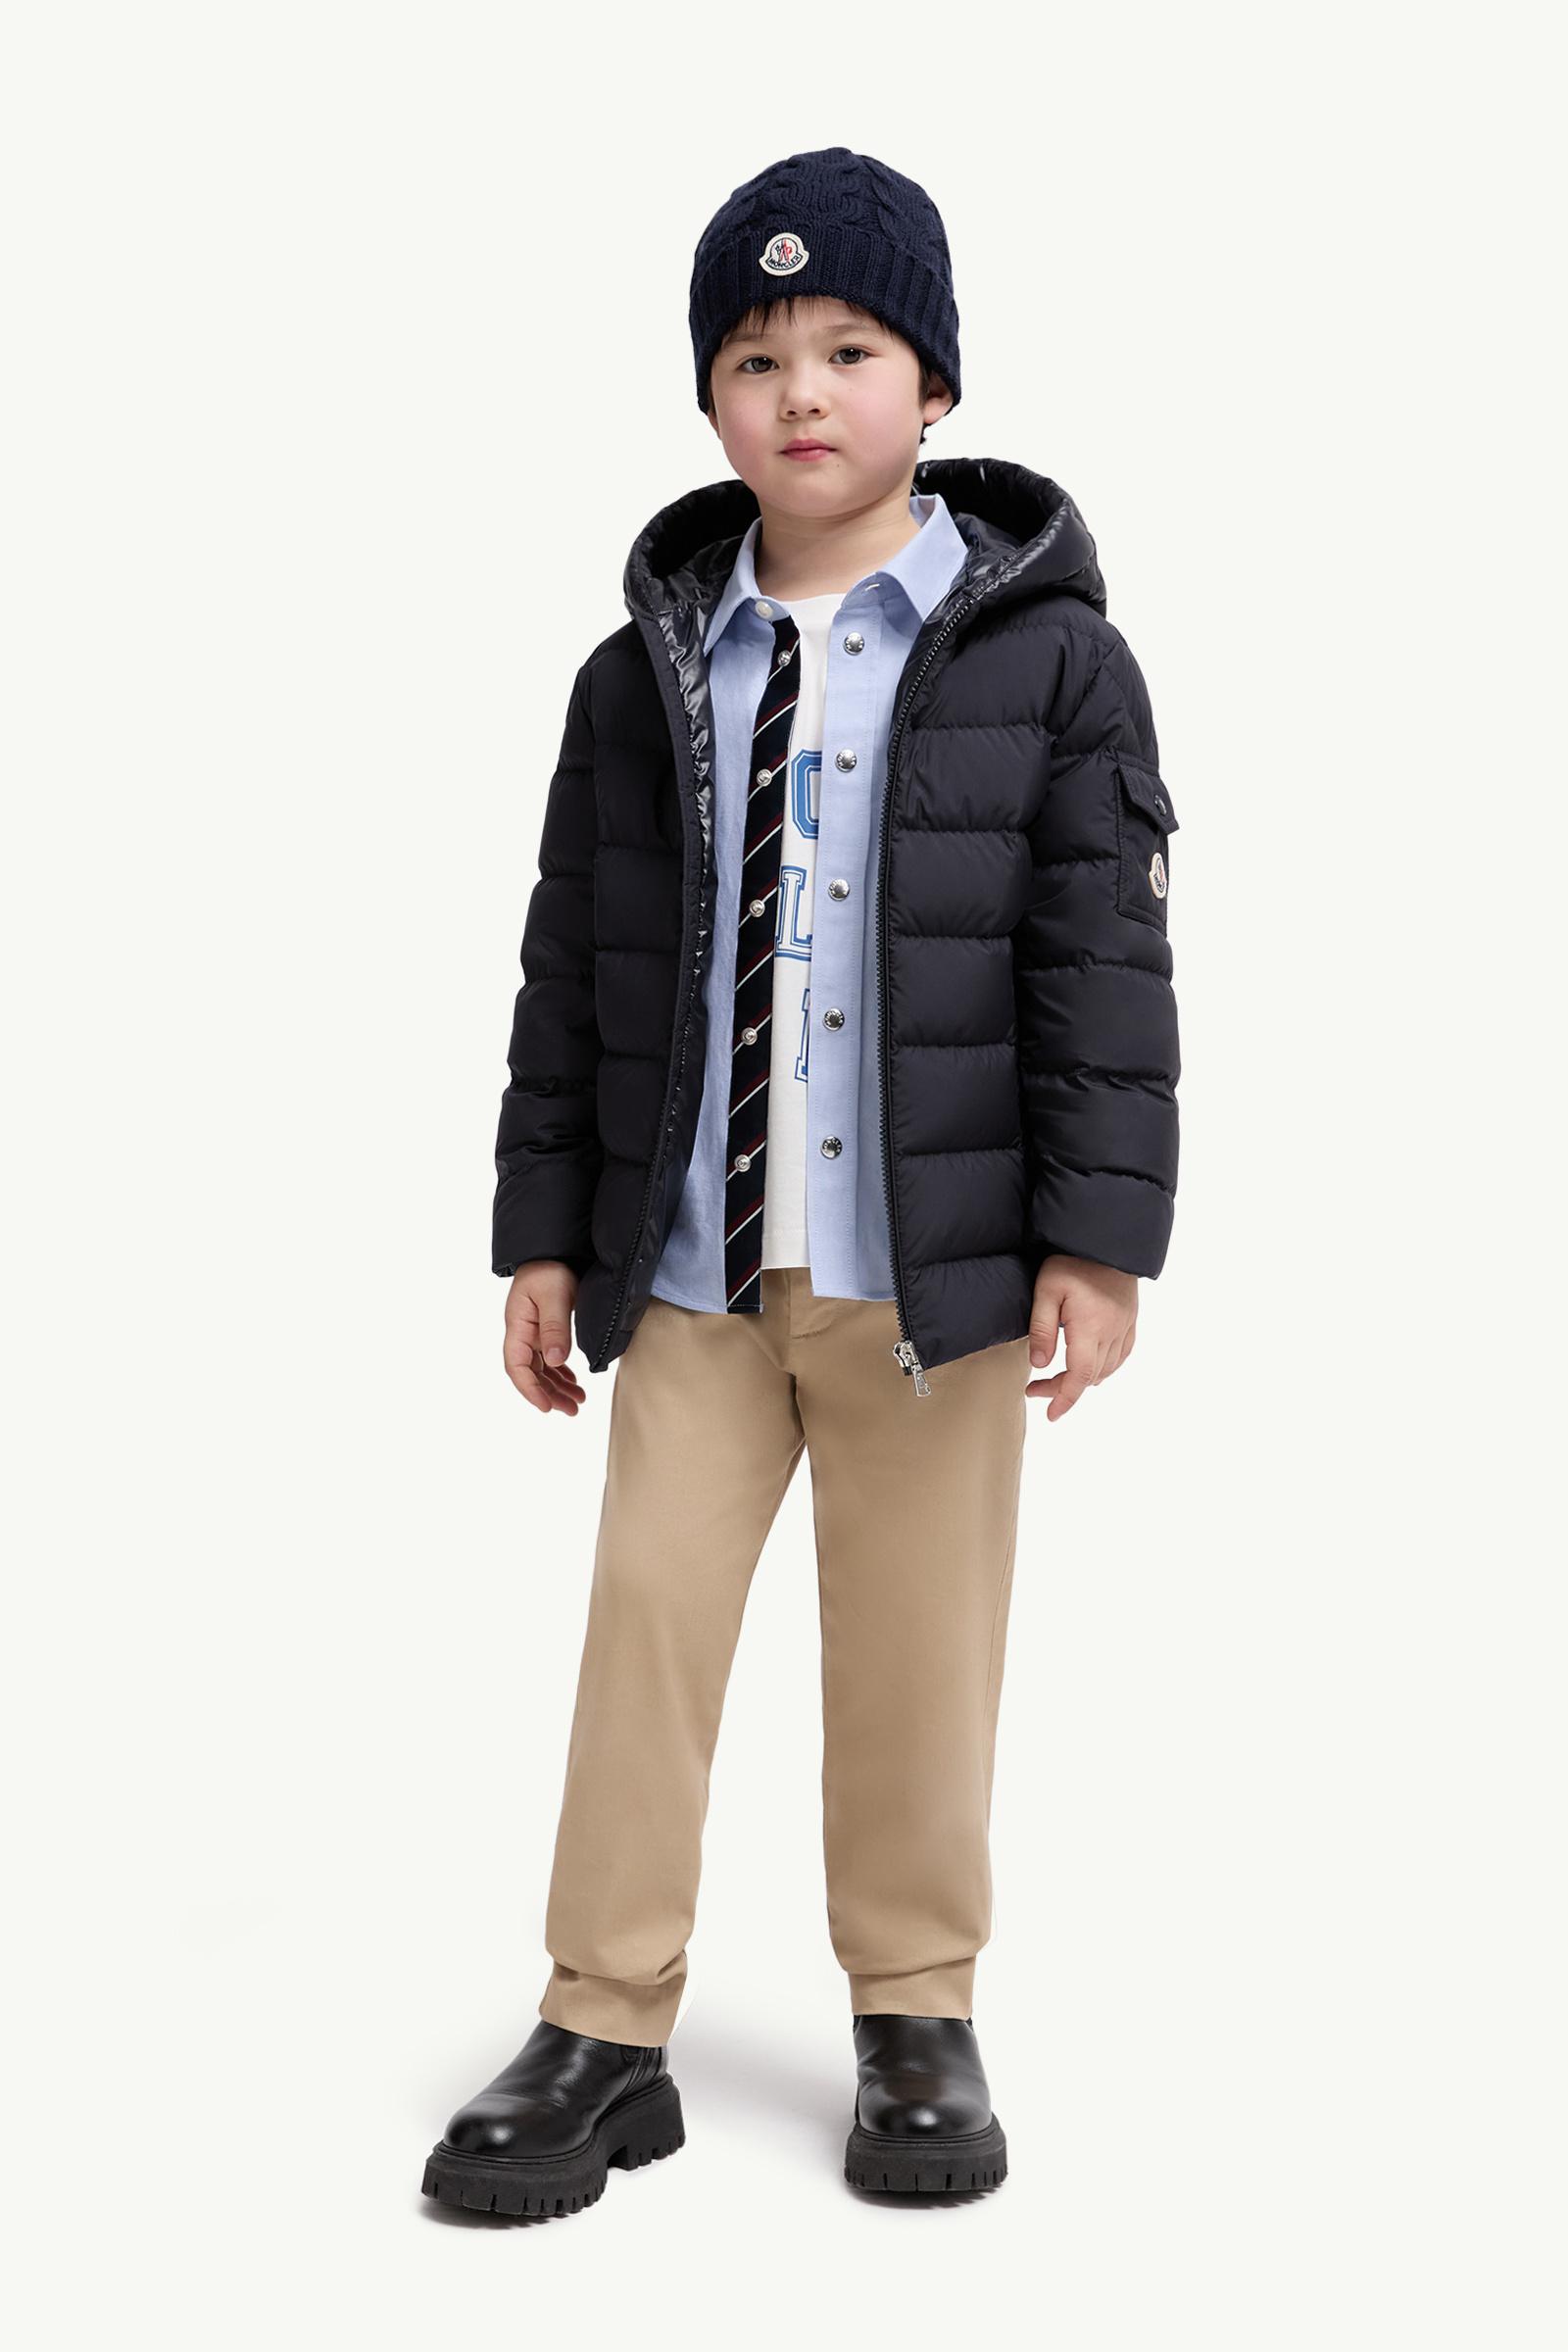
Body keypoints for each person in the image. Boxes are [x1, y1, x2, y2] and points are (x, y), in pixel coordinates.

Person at [421, 146, 1181, 2220]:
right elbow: (570, 968)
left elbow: (1099, 969)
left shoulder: (1049, 663)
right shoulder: (643, 676)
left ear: (934, 384)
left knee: (921, 1646)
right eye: (754, 359)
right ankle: (603, 2022)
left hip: (928, 1274)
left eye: (848, 348)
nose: (801, 392)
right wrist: (541, 1225)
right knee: (645, 1627)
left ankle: (916, 2010)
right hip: (690, 1270)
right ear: (709, 402)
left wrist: (1098, 1239)